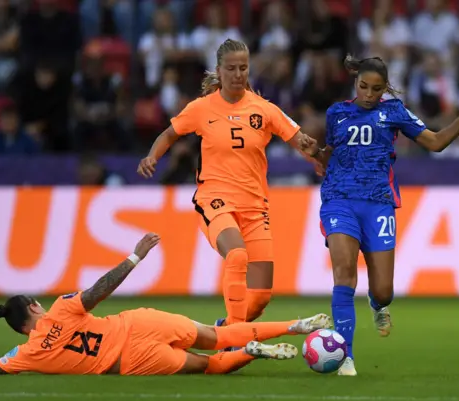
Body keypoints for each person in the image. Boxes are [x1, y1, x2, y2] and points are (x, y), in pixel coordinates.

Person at [0, 233, 332, 376]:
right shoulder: (60, 309)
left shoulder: (26, 356)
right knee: (217, 334)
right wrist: (135, 256)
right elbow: (98, 291)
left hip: (132, 359)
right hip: (137, 323)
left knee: (209, 365)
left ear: (16, 329)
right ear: (33, 306)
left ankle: (252, 353)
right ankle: (296, 324)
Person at [300, 55, 459, 376]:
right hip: (339, 199)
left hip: (378, 203)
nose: (369, 94)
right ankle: (345, 355)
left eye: (376, 89)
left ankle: (378, 305)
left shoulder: (394, 112)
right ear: (355, 83)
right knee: (344, 272)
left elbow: (435, 142)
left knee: (384, 290)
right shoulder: (337, 113)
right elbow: (333, 152)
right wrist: (316, 154)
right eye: (363, 87)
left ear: (385, 89)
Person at [137, 39, 322, 337]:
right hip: (215, 199)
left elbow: (297, 137)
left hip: (254, 206)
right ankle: (234, 341)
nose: (238, 74)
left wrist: (313, 155)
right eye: (232, 68)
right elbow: (170, 133)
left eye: (244, 68)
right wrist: (152, 156)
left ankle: (223, 331)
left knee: (260, 296)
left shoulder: (265, 109)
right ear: (219, 71)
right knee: (236, 255)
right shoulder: (201, 108)